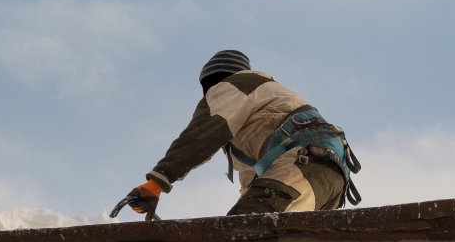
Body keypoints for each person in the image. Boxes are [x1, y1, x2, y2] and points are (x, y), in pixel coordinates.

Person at [114, 50, 360, 220]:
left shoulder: (234, 85)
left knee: (240, 233)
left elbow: (202, 135)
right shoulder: (257, 116)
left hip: (304, 163)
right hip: (325, 177)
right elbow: (253, 185)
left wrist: (157, 182)